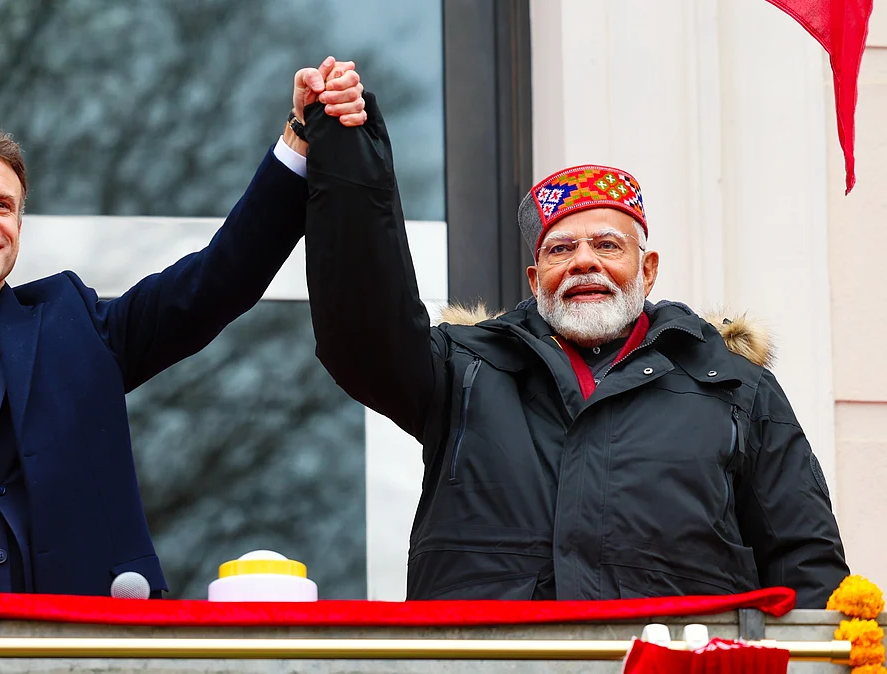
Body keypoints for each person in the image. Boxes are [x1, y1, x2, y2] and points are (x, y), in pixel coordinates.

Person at [0, 58, 369, 596]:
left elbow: (216, 281)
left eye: (2, 205)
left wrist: (299, 141)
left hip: (83, 651)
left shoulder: (74, 325)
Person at [301, 92, 848, 607]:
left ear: (647, 269)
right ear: (537, 278)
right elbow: (362, 330)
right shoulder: (460, 369)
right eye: (562, 248)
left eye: (608, 245)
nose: (584, 261)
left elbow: (806, 564)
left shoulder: (736, 387)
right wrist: (350, 157)